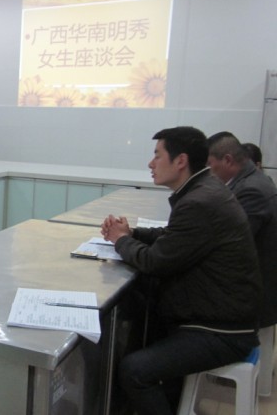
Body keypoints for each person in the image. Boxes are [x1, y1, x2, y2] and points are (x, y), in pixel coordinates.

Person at [100, 126, 261, 415]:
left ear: (181, 161)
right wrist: (132, 233)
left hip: (222, 331)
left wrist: (121, 240)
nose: (151, 164)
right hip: (216, 315)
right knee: (144, 315)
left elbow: (155, 262)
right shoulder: (205, 190)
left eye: (157, 156)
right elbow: (174, 238)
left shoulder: (200, 201)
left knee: (134, 370)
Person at [207, 131, 277, 396]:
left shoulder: (251, 190)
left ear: (227, 160)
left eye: (211, 165)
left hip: (257, 291)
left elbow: (231, 242)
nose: (209, 172)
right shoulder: (253, 181)